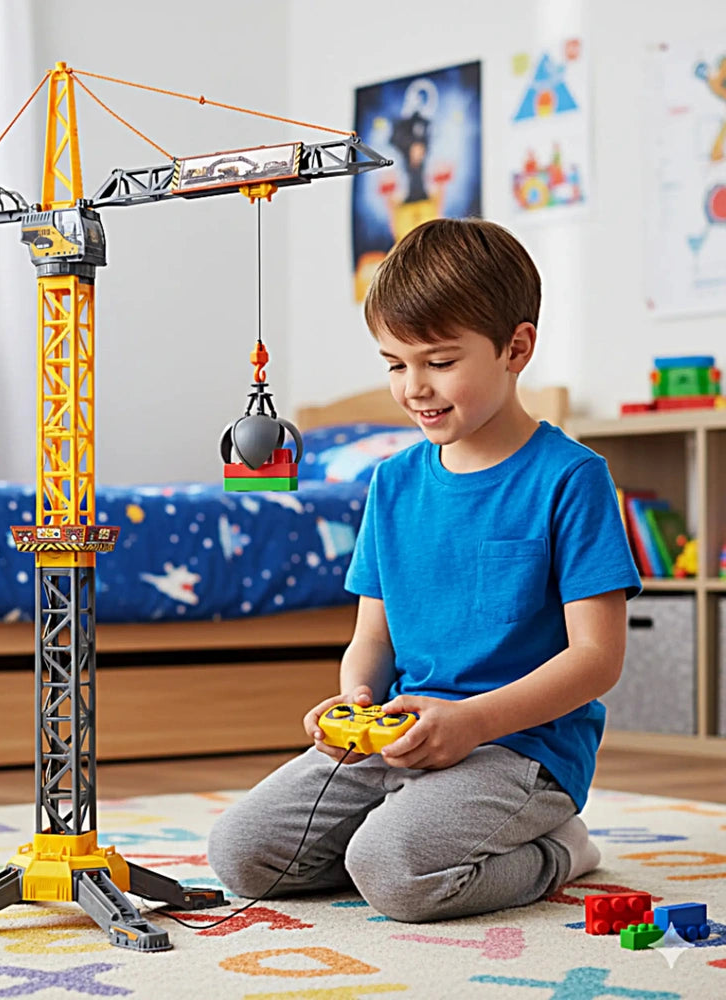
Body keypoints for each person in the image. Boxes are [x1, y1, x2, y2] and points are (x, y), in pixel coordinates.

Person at [207, 218, 641, 923]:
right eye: (394, 363)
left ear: (516, 348)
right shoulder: (392, 482)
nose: (414, 388)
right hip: (402, 735)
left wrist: (470, 722)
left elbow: (598, 660)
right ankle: (409, 827)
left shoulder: (571, 478)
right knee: (241, 854)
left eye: (439, 362)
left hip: (520, 749)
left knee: (392, 873)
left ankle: (559, 848)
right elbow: (371, 641)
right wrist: (353, 705)